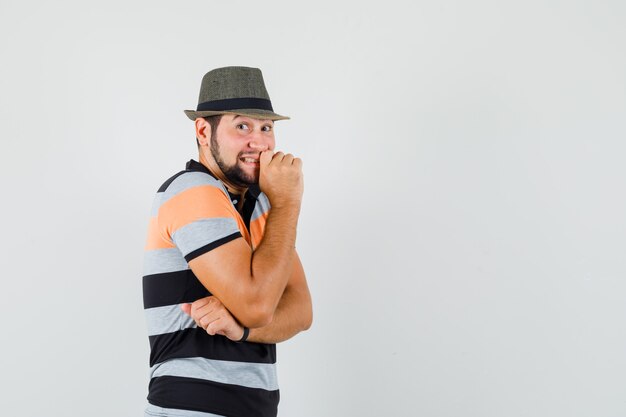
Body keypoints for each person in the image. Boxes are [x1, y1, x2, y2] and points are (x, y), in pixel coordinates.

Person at [142, 66, 312, 417]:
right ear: (204, 131)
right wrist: (289, 201)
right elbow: (258, 305)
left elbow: (301, 312)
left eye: (266, 127)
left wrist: (242, 330)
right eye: (242, 126)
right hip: (191, 405)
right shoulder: (193, 190)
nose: (259, 142)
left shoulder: (262, 203)